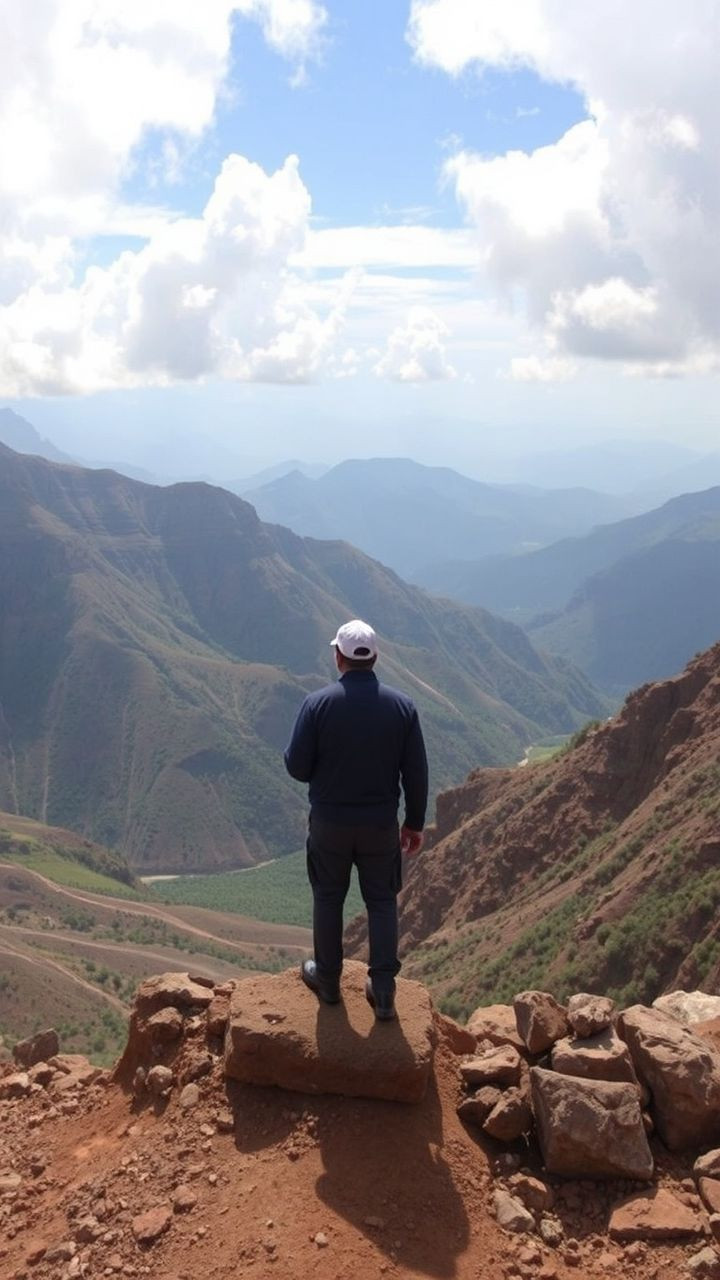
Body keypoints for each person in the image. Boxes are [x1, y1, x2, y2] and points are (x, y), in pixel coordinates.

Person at [284, 618, 428, 1021]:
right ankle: (382, 991)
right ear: (375, 657)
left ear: (339, 658)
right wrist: (414, 822)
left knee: (328, 896)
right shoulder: (402, 707)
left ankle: (328, 982)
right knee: (381, 901)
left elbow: (297, 767)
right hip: (380, 825)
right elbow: (416, 772)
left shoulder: (317, 704)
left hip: (329, 823)